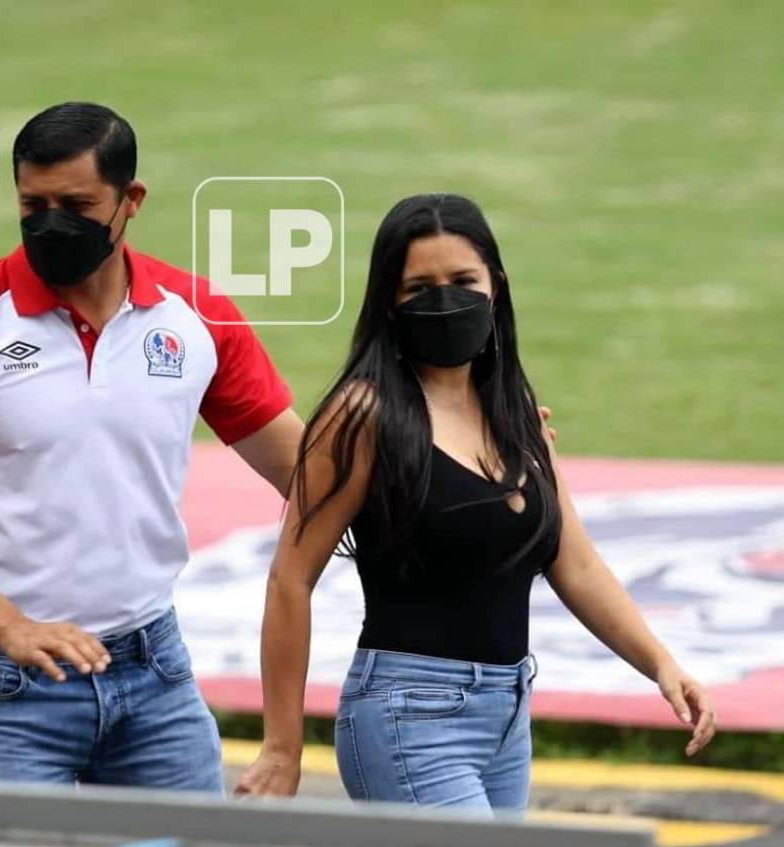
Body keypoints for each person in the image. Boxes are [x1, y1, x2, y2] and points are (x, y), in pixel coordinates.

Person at [235, 193, 717, 813]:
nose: (444, 299)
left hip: (507, 714)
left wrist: (661, 665)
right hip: (408, 716)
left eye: (462, 281)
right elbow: (290, 580)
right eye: (419, 287)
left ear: (497, 286)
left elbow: (576, 563)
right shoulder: (362, 417)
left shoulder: (514, 408)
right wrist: (283, 746)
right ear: (389, 301)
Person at [0, 102, 302, 792]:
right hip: (3, 683)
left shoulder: (198, 315)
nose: (52, 223)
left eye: (76, 204)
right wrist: (10, 627)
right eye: (33, 204)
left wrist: (463, 442)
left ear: (130, 200)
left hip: (153, 673)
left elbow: (309, 469)